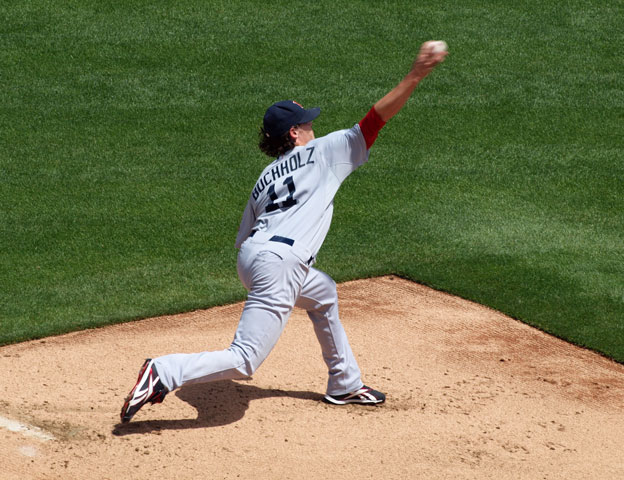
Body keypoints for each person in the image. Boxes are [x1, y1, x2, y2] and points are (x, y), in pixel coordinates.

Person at [120, 41, 447, 423]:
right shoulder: (326, 151)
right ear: (294, 133)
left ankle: (344, 382)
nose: (313, 126)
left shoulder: (264, 177)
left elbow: (244, 237)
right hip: (280, 263)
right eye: (307, 122)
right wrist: (417, 74)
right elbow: (375, 119)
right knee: (244, 359)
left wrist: (263, 275)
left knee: (323, 293)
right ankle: (163, 371)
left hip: (254, 258)